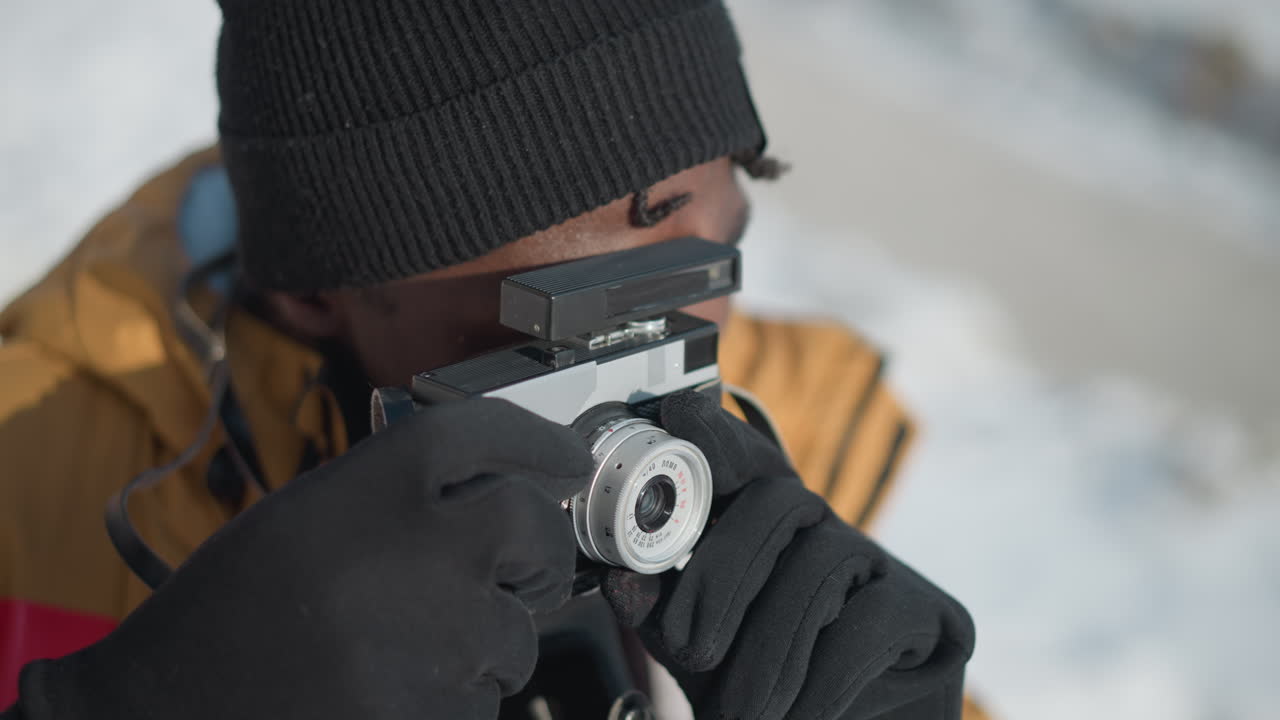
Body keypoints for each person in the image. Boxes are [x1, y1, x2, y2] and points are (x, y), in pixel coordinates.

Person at [0, 1, 979, 718]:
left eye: (714, 262)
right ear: (312, 290)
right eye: (585, 325)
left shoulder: (788, 437)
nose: (670, 376)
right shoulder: (26, 479)